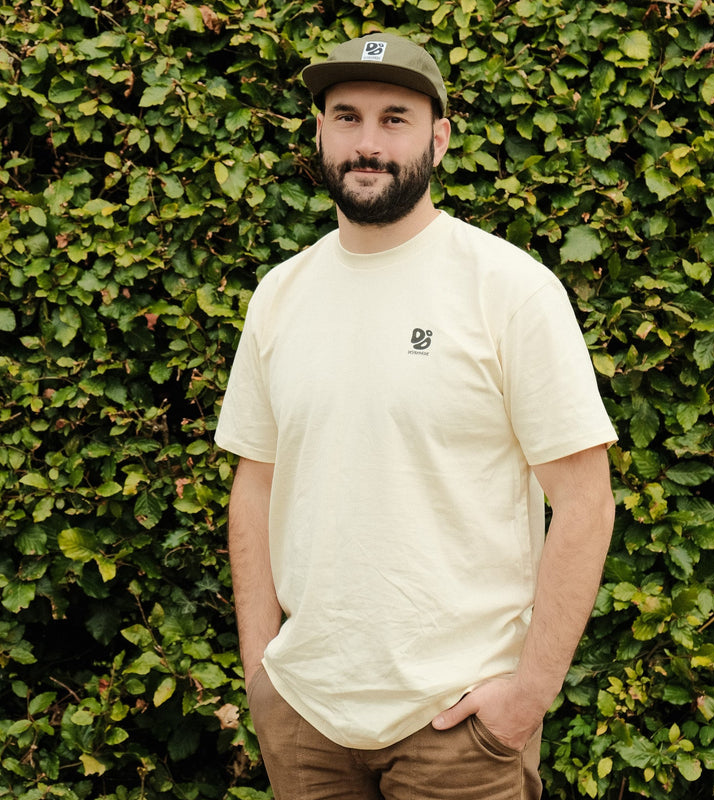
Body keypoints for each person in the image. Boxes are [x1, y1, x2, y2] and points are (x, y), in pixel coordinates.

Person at [215, 31, 617, 800]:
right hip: (305, 719)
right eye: (346, 117)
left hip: (457, 729)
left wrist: (528, 695)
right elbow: (256, 486)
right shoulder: (280, 296)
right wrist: (262, 668)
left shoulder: (508, 290)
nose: (368, 143)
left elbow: (585, 501)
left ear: (439, 137)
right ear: (322, 132)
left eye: (395, 118)